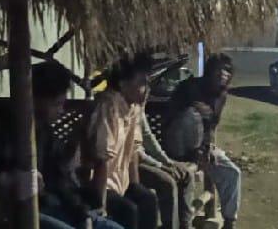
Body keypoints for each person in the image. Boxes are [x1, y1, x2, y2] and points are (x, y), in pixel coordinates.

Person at [0, 61, 122, 229]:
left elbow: (60, 182)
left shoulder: (44, 133)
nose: (61, 110)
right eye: (56, 104)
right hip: (6, 213)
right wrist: (5, 179)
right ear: (35, 99)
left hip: (48, 206)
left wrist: (82, 214)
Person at [164, 54, 240, 229]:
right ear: (209, 71)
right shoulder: (190, 88)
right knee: (192, 115)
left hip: (200, 147)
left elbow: (211, 126)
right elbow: (176, 120)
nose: (223, 74)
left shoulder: (221, 95)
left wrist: (208, 148)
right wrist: (197, 150)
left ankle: (229, 222)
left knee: (232, 173)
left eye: (227, 71)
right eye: (219, 70)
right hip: (176, 145)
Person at [86, 56, 160, 229]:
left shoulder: (133, 108)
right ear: (123, 84)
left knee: (147, 199)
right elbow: (102, 159)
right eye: (141, 83)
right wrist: (101, 204)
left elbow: (133, 152)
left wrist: (135, 186)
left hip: (120, 183)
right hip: (98, 185)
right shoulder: (108, 106)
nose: (146, 89)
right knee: (128, 210)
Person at [138, 87, 198, 229]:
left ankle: (185, 225)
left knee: (186, 174)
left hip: (145, 159)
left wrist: (168, 162)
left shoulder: (137, 109)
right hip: (130, 165)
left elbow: (148, 137)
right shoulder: (121, 110)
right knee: (167, 183)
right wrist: (160, 166)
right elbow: (136, 154)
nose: (146, 94)